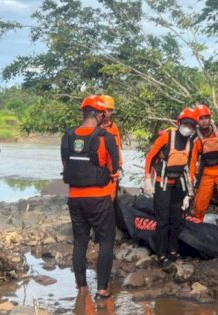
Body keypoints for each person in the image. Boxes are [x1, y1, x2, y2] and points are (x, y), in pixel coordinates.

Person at [61, 95, 120, 299]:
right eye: (106, 112)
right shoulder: (106, 137)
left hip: (75, 198)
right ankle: (102, 288)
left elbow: (66, 166)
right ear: (99, 113)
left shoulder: (67, 136)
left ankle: (82, 287)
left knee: (80, 241)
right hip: (99, 198)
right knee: (106, 241)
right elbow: (114, 169)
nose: (107, 116)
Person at [143, 107, 198, 268]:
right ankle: (160, 254)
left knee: (177, 218)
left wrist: (189, 193)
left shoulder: (191, 143)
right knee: (162, 219)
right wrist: (147, 178)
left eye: (191, 125)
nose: (188, 128)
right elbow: (150, 157)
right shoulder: (167, 137)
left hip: (179, 184)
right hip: (163, 183)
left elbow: (190, 166)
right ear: (179, 123)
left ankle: (173, 250)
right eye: (185, 124)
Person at [189, 103, 218, 227]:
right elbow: (193, 160)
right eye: (201, 118)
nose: (204, 121)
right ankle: (196, 225)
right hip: (205, 172)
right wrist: (191, 177)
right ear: (197, 121)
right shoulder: (195, 138)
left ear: (210, 118)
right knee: (200, 202)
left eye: (206, 118)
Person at [99, 94, 126, 233]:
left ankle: (110, 229)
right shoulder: (93, 127)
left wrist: (120, 166)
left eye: (109, 110)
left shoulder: (114, 127)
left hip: (112, 170)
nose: (107, 113)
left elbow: (118, 147)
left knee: (111, 200)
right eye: (104, 110)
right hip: (98, 170)